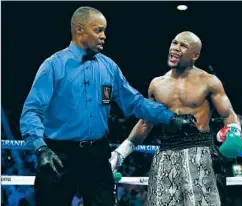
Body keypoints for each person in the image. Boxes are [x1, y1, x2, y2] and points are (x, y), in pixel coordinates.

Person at [19, 6, 188, 206]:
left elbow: (135, 102)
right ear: (79, 30)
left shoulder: (108, 67)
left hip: (97, 155)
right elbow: (31, 111)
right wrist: (41, 149)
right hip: (59, 154)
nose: (104, 36)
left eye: (104, 30)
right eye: (98, 30)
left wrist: (170, 117)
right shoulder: (53, 65)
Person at [110, 31, 242, 206]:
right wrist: (120, 154)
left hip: (199, 149)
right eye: (174, 43)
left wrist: (235, 129)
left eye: (183, 45)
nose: (175, 48)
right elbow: (145, 123)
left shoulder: (209, 81)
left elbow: (228, 114)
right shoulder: (157, 84)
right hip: (166, 151)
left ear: (195, 55)